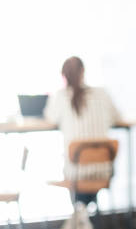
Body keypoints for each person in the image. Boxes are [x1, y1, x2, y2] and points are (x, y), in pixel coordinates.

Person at [44, 56, 122, 188]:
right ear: (83, 71)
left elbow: (50, 118)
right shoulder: (102, 94)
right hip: (104, 170)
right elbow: (118, 118)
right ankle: (86, 207)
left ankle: (81, 207)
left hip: (75, 173)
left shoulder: (60, 97)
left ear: (63, 75)